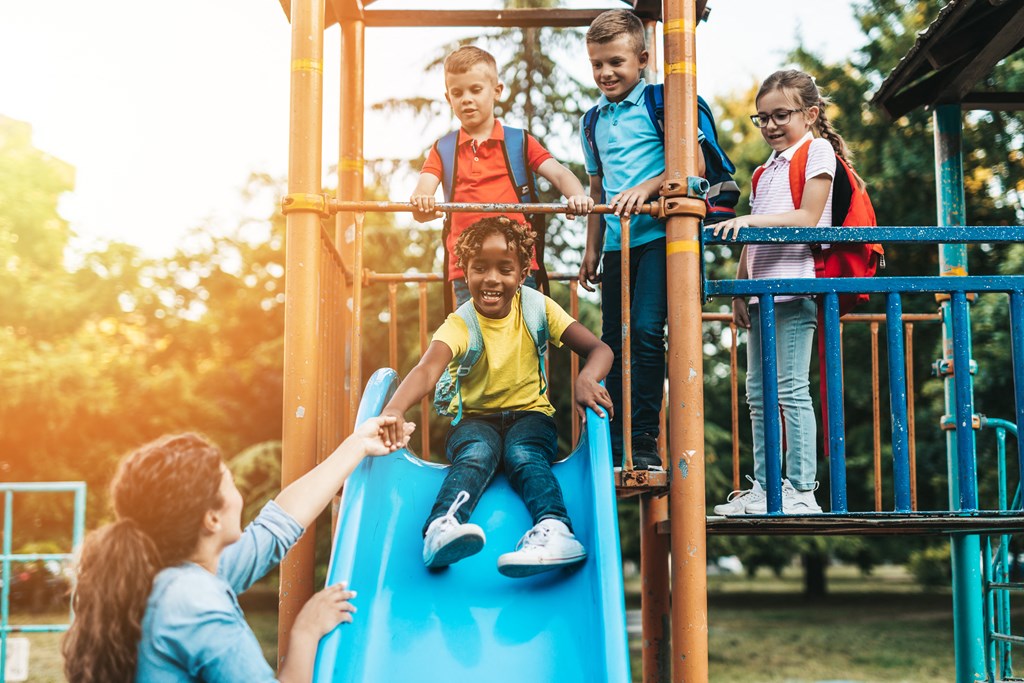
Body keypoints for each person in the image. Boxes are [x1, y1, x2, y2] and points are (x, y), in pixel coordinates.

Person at [62, 416, 414, 683]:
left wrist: (358, 444)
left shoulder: (169, 573)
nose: (238, 491)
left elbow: (278, 526)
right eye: (230, 481)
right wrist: (306, 632)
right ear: (212, 519)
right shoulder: (191, 600)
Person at [378, 216, 614, 578]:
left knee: (523, 454)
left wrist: (587, 377)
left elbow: (599, 350)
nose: (491, 279)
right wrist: (395, 407)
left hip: (531, 416)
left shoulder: (537, 308)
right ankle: (441, 528)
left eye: (505, 269)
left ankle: (555, 529)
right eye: (480, 268)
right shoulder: (462, 322)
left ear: (522, 274)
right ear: (465, 272)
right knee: (475, 453)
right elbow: (427, 369)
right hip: (475, 420)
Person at [711, 68, 854, 515]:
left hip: (797, 288)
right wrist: (740, 288)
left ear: (810, 114)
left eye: (780, 115)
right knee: (758, 393)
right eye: (762, 118)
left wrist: (748, 221)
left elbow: (808, 217)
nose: (770, 125)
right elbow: (752, 239)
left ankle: (802, 489)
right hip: (762, 294)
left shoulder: (818, 152)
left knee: (790, 389)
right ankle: (766, 486)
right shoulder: (763, 172)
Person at [577, 9, 704, 470]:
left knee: (647, 331)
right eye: (597, 64)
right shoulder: (592, 121)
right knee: (612, 341)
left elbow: (695, 169)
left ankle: (644, 438)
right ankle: (614, 440)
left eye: (616, 62)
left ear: (643, 59)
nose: (606, 73)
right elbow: (597, 190)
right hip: (615, 244)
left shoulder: (661, 102)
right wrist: (591, 249)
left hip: (658, 241)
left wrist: (647, 189)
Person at [409, 45, 593, 309]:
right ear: (448, 98)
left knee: (524, 337)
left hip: (515, 265)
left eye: (475, 90)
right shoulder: (444, 148)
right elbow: (423, 190)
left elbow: (559, 173)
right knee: (475, 343)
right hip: (467, 269)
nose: (466, 99)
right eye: (457, 93)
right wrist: (422, 202)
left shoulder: (519, 142)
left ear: (497, 91)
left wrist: (576, 195)